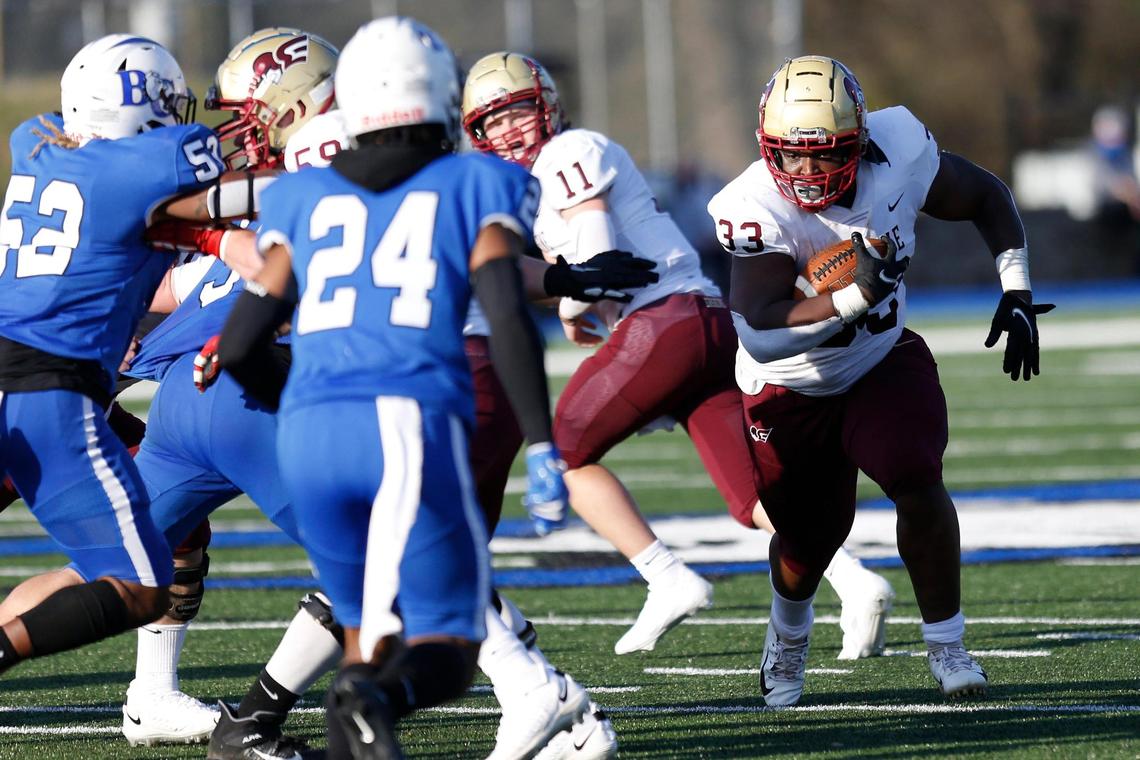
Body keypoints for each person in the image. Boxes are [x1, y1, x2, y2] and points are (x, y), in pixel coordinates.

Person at [216, 17, 577, 759]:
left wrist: (301, 405)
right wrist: (542, 442)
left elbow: (242, 343)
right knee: (447, 640)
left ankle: (364, 697)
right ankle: (378, 697)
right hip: (405, 421)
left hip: (312, 435)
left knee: (363, 639)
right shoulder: (479, 180)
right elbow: (507, 316)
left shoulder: (302, 195)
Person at [461, 52, 896, 664]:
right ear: (475, 135)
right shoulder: (512, 189)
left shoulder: (569, 151)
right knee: (752, 500)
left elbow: (596, 251)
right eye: (492, 121)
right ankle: (855, 581)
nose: (508, 130)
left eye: (517, 112)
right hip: (705, 324)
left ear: (547, 107)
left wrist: (570, 306)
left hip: (664, 321)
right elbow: (552, 271)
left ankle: (665, 575)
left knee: (565, 450)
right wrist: (577, 299)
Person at [707, 55, 1054, 706]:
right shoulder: (750, 206)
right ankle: (787, 638)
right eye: (790, 155)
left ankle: (949, 648)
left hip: (879, 359)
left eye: (823, 154)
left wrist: (1016, 287)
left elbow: (983, 195)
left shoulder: (899, 151)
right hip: (788, 386)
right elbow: (758, 326)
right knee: (809, 539)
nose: (806, 172)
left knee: (915, 475)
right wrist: (848, 297)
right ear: (766, 146)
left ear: (860, 140)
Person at [0, 35, 223, 675]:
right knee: (138, 581)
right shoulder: (152, 164)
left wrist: (210, 237)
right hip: (50, 396)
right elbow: (211, 192)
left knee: (168, 533)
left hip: (28, 379)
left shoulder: (32, 141)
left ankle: (155, 690)